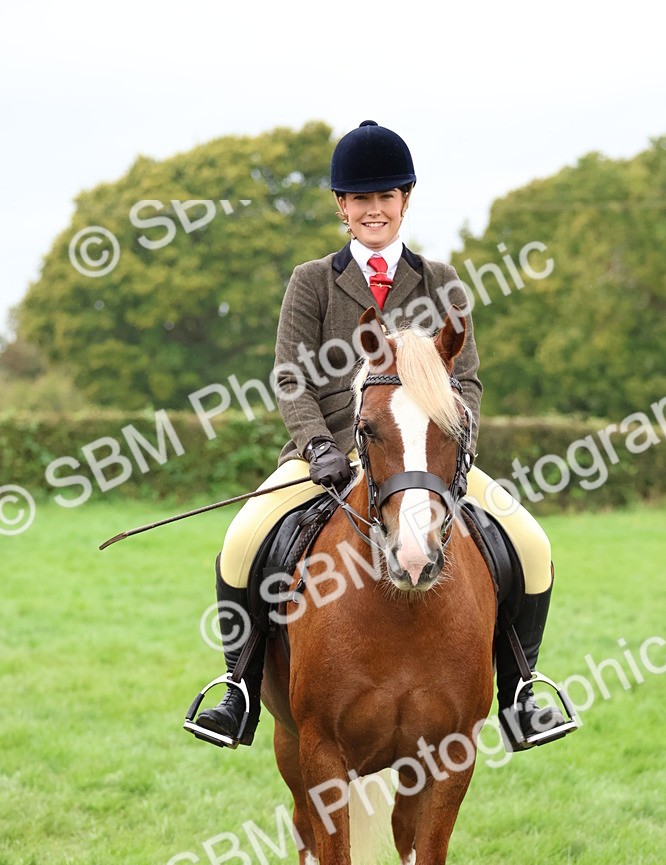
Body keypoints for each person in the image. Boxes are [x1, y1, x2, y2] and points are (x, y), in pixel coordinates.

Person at [186, 120, 572, 753]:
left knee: (530, 542)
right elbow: (290, 379)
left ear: (405, 199)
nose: (373, 210)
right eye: (360, 199)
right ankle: (239, 689)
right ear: (343, 207)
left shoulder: (442, 280)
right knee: (242, 540)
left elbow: (466, 381)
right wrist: (318, 449)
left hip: (426, 459)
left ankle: (522, 692)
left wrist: (455, 444)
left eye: (384, 197)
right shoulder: (311, 282)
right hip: (329, 458)